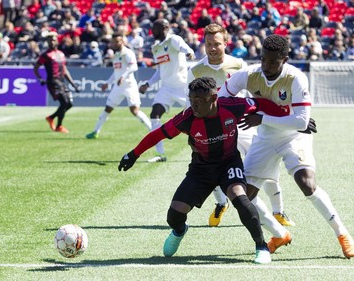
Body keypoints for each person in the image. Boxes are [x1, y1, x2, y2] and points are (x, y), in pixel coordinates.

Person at [119, 77, 291, 263]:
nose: (194, 105)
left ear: (214, 97)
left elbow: (262, 104)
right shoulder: (186, 119)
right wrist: (134, 154)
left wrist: (294, 119)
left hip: (229, 164)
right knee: (173, 215)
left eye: (199, 101)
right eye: (192, 100)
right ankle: (179, 231)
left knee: (241, 199)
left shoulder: (233, 106)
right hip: (200, 170)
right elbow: (158, 134)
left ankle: (261, 246)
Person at [217, 34, 354, 258]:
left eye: (273, 61)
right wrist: (249, 106)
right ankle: (279, 234)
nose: (266, 65)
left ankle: (343, 234)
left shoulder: (296, 78)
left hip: (293, 136)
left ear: (285, 59)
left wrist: (261, 116)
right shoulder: (249, 74)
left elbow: (301, 122)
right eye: (263, 59)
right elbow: (222, 99)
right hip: (265, 138)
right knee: (243, 195)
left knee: (306, 183)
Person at [187, 23, 295, 228]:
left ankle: (279, 211)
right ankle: (221, 203)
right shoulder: (196, 70)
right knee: (213, 168)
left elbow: (251, 95)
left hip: (243, 125)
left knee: (265, 165)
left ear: (225, 43)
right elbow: (190, 101)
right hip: (213, 129)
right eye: (208, 43)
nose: (212, 48)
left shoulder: (238, 64)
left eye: (216, 44)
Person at [138, 19, 195, 163]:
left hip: (182, 87)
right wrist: (148, 84)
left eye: (155, 28)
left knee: (198, 117)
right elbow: (159, 70)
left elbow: (185, 48)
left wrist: (189, 53)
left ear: (165, 27)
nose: (152, 31)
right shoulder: (156, 47)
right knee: (154, 115)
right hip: (166, 88)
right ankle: (160, 153)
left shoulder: (173, 40)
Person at [85, 33, 151, 139]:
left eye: (117, 41)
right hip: (118, 86)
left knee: (134, 110)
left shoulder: (128, 53)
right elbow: (116, 72)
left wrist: (124, 76)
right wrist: (108, 82)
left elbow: (134, 67)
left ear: (122, 41)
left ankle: (152, 130)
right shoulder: (116, 55)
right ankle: (95, 132)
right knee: (108, 108)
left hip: (129, 86)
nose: (114, 43)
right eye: (113, 42)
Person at [33, 32, 79, 133]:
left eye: (53, 40)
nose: (51, 42)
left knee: (70, 104)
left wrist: (73, 84)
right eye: (49, 40)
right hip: (53, 82)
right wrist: (40, 78)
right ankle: (59, 126)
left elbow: (65, 70)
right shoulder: (46, 55)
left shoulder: (61, 54)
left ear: (57, 41)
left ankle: (51, 117)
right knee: (64, 102)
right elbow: (36, 68)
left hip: (61, 81)